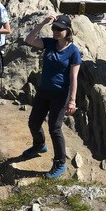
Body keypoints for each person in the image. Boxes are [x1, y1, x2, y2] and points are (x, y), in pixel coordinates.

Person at [22, 14, 82, 179]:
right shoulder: (49, 43)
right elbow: (29, 39)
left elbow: (73, 78)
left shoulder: (73, 52)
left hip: (60, 95)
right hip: (43, 91)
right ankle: (39, 145)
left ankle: (60, 163)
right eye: (54, 28)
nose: (55, 31)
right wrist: (43, 23)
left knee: (55, 128)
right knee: (33, 122)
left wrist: (72, 100)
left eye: (59, 29)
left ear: (67, 31)